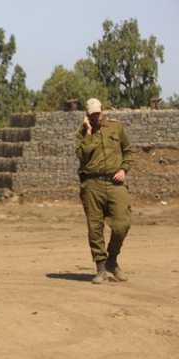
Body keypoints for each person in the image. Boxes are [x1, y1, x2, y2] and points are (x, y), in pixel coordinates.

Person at [76, 98, 133, 284]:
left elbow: (128, 151)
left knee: (122, 224)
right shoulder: (82, 133)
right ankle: (100, 268)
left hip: (115, 183)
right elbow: (82, 156)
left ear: (103, 111)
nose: (95, 117)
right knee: (95, 228)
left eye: (97, 114)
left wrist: (124, 169)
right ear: (87, 115)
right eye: (91, 115)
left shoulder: (116, 128)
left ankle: (112, 259)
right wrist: (89, 132)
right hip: (92, 184)